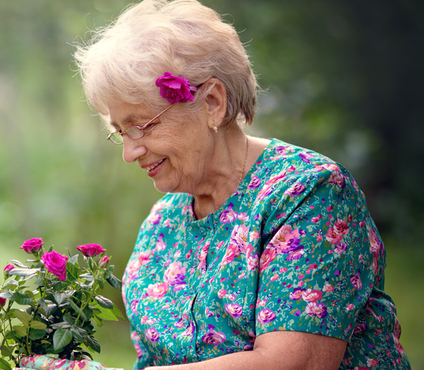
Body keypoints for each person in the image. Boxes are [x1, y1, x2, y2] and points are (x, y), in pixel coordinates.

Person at [73, 0, 410, 369]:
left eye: (142, 125)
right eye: (121, 132)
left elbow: (293, 364)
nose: (129, 151)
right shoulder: (161, 224)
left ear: (213, 103)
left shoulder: (308, 192)